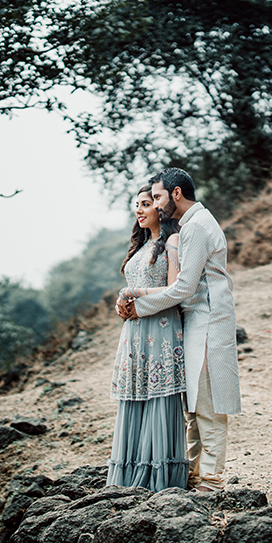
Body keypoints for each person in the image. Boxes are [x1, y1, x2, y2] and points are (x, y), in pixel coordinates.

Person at [118, 167, 241, 492]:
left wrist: (137, 303)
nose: (155, 205)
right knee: (193, 406)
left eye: (157, 197)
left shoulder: (198, 226)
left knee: (209, 407)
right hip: (194, 323)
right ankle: (193, 476)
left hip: (209, 322)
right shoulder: (190, 225)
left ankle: (211, 483)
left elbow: (184, 287)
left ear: (175, 194)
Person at [106, 186, 189, 491]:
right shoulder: (141, 246)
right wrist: (121, 301)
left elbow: (175, 290)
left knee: (158, 398)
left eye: (146, 203)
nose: (140, 210)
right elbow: (130, 286)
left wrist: (133, 295)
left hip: (160, 328)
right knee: (135, 398)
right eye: (137, 205)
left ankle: (159, 477)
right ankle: (129, 475)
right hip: (134, 332)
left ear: (159, 207)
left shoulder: (173, 241)